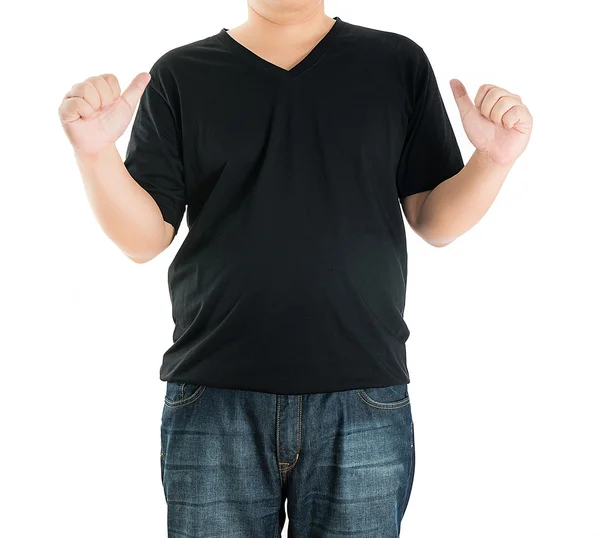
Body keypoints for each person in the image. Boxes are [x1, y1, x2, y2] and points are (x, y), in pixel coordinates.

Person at [58, 0, 533, 536]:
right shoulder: (181, 75)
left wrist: (493, 160)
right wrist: (96, 155)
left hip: (362, 397)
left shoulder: (395, 63)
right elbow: (145, 239)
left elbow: (434, 220)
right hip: (215, 396)